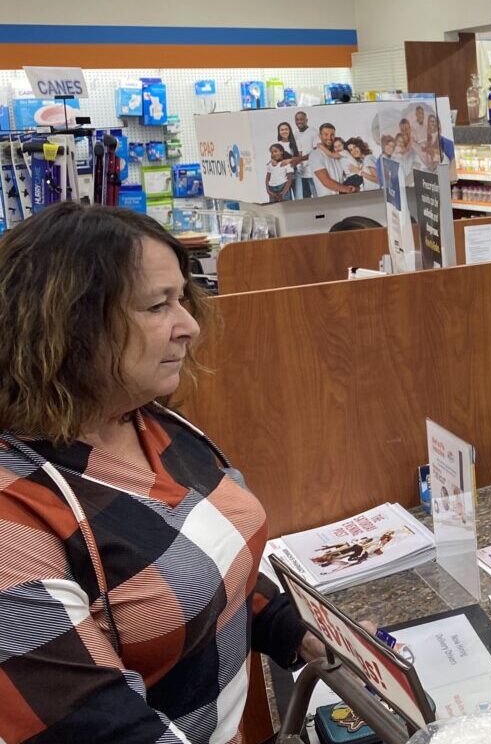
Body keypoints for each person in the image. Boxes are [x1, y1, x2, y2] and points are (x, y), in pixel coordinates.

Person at [0, 204, 329, 743]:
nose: (190, 326)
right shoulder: (14, 517)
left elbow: (209, 560)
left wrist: (295, 630)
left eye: (183, 298)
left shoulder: (148, 419)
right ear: (66, 327)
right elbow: (101, 729)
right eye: (158, 306)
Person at [310, 122, 355, 195]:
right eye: (326, 134)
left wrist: (354, 188)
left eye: (332, 135)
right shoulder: (315, 154)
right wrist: (347, 189)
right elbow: (326, 181)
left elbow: (346, 175)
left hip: (343, 198)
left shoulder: (337, 155)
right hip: (327, 200)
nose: (329, 137)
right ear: (320, 135)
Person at [291, 111, 318, 199]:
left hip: (312, 171)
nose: (299, 121)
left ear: (306, 120)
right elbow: (298, 150)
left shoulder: (313, 132)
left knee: (316, 195)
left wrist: (299, 159)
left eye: (301, 119)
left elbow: (315, 152)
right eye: (297, 119)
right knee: (305, 197)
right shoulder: (295, 134)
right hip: (301, 172)